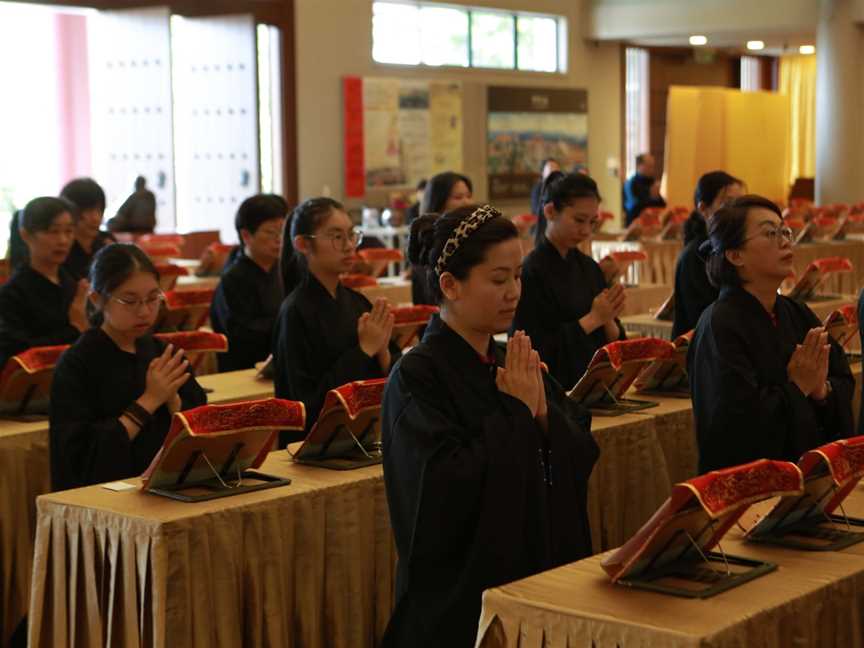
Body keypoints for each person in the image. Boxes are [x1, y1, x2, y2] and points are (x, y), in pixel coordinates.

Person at [382, 204, 598, 648]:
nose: (514, 292)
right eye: (498, 280)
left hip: (532, 578)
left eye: (518, 276)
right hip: (460, 604)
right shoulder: (417, 376)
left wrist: (542, 416)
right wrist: (520, 416)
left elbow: (581, 444)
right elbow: (440, 488)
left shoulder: (510, 359)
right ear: (450, 285)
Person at [688, 195, 854, 474]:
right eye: (770, 233)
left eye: (785, 231)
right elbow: (732, 427)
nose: (785, 240)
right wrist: (797, 387)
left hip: (807, 481)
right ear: (735, 255)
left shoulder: (796, 312)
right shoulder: (719, 325)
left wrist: (821, 391)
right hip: (749, 493)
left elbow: (840, 376)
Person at [50, 243, 206, 490]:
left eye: (153, 298)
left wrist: (173, 401)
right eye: (130, 301)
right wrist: (150, 400)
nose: (144, 311)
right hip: (106, 498)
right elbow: (79, 459)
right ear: (97, 299)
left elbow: (201, 432)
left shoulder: (164, 353)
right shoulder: (77, 364)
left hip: (172, 488)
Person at [271, 197, 401, 444]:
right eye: (336, 236)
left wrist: (383, 353)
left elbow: (396, 380)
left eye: (351, 235)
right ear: (302, 244)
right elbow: (304, 403)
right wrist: (363, 351)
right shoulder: (295, 313)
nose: (349, 245)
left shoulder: (357, 303)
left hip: (365, 437)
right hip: (314, 446)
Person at [513, 172, 626, 389]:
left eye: (592, 222)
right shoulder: (530, 272)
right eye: (579, 220)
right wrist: (594, 318)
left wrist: (609, 317)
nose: (586, 230)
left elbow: (612, 339)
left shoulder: (589, 267)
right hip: (553, 388)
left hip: (595, 383)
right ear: (550, 211)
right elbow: (533, 348)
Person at [0, 197, 88, 369]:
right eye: (53, 231)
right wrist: (75, 328)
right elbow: (15, 355)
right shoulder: (12, 294)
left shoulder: (73, 282)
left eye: (69, 231)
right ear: (26, 235)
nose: (63, 240)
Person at [210, 194, 287, 372]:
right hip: (244, 370)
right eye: (270, 232)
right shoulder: (233, 279)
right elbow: (242, 334)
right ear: (246, 235)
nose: (279, 239)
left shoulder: (284, 270)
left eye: (282, 231)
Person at [671, 171, 744, 337]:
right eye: (728, 203)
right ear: (703, 208)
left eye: (740, 204)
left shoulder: (732, 247)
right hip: (700, 347)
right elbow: (706, 316)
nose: (738, 212)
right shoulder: (695, 255)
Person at [410, 172, 473, 305]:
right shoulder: (428, 239)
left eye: (468, 196)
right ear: (437, 203)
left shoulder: (471, 235)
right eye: (458, 197)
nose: (467, 202)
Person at [60, 177, 116, 280]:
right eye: (88, 211)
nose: (96, 218)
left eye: (99, 210)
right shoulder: (62, 248)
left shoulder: (107, 242)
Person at [623, 153, 666, 225]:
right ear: (639, 166)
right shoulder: (630, 183)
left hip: (652, 225)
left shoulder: (652, 181)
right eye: (649, 166)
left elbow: (662, 205)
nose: (652, 169)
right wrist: (652, 197)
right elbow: (632, 207)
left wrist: (656, 198)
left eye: (652, 166)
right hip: (635, 224)